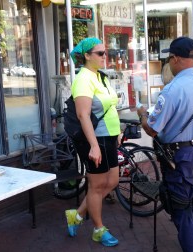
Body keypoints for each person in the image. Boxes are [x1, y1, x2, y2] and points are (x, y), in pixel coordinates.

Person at [137, 37, 193, 252]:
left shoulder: (172, 89)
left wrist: (142, 114)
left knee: (181, 208)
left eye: (169, 59)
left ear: (174, 58)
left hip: (181, 156)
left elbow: (152, 128)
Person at [64, 37, 120, 247]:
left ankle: (77, 215)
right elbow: (83, 115)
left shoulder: (101, 77)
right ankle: (98, 229)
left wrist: (118, 131)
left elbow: (109, 106)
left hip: (109, 136)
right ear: (87, 56)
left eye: (105, 53)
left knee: (112, 181)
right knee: (96, 186)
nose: (105, 57)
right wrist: (94, 145)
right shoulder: (83, 79)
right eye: (100, 53)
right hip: (95, 138)